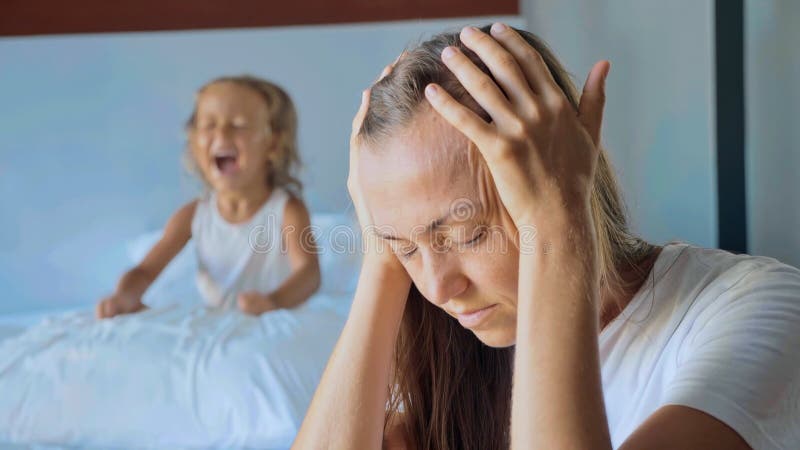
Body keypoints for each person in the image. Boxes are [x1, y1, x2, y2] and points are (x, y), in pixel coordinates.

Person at [294, 24, 800, 449]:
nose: (437, 289)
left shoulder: (758, 308)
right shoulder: (454, 355)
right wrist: (383, 253)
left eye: (468, 236)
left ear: (564, 178)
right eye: (407, 250)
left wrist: (559, 226)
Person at [97, 75, 320, 318]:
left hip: (273, 318)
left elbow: (309, 275)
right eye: (209, 125)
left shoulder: (286, 210)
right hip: (219, 324)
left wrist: (273, 301)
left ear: (273, 143)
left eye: (239, 125)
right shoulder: (193, 215)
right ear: (194, 142)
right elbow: (146, 271)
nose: (222, 134)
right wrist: (124, 296)